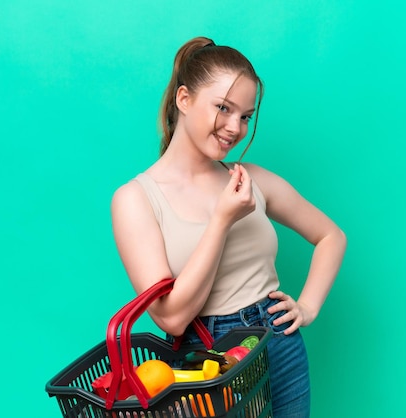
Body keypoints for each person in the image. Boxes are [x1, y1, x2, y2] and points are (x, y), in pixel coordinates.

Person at [111, 36, 347, 417]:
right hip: (207, 361)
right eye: (222, 108)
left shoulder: (251, 179)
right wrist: (222, 220)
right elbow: (171, 317)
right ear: (184, 99)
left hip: (279, 341)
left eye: (245, 116)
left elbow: (331, 236)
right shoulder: (135, 200)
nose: (234, 127)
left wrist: (306, 307)